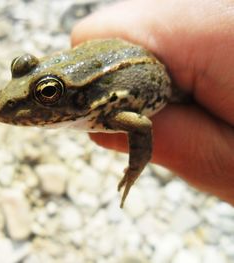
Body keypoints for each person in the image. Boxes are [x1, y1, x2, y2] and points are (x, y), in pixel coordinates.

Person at [71, 0, 234, 205]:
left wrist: (134, 168)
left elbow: (141, 125)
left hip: (171, 89)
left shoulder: (109, 114)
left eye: (48, 93)